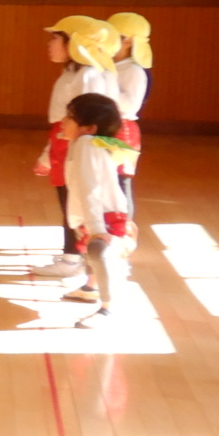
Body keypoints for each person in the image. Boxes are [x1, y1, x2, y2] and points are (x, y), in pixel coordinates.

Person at [30, 17, 122, 282]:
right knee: (69, 199)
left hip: (73, 141)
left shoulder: (88, 76)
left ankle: (74, 257)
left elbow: (83, 120)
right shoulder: (75, 73)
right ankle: (75, 255)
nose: (50, 44)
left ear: (75, 43)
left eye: (55, 38)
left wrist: (53, 151)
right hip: (66, 139)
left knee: (75, 199)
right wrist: (49, 152)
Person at [59, 92, 137, 328]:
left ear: (89, 128)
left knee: (98, 253)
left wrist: (96, 228)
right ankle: (90, 288)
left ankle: (108, 308)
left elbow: (90, 187)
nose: (63, 121)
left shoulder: (86, 145)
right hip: (96, 216)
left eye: (70, 117)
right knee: (91, 253)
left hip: (103, 216)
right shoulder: (84, 143)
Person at [107, 11, 153, 142]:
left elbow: (130, 105)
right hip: (105, 125)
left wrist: (104, 89)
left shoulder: (133, 71)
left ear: (128, 42)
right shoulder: (108, 66)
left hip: (119, 129)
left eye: (111, 37)